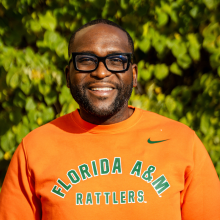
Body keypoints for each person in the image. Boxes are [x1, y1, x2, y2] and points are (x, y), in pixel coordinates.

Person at [0, 19, 219, 220]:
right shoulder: (35, 147)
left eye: (116, 60)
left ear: (133, 75)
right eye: (86, 60)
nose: (101, 72)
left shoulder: (181, 142)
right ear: (68, 76)